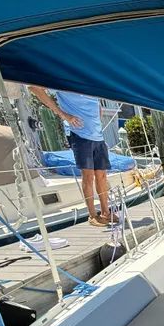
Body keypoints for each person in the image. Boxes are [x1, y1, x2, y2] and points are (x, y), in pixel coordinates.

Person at [29, 87, 116, 227]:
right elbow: (34, 88)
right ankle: (92, 215)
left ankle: (106, 212)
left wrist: (98, 122)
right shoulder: (63, 80)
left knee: (102, 176)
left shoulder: (87, 80)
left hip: (97, 136)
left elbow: (97, 104)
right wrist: (63, 115)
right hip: (79, 135)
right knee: (88, 176)